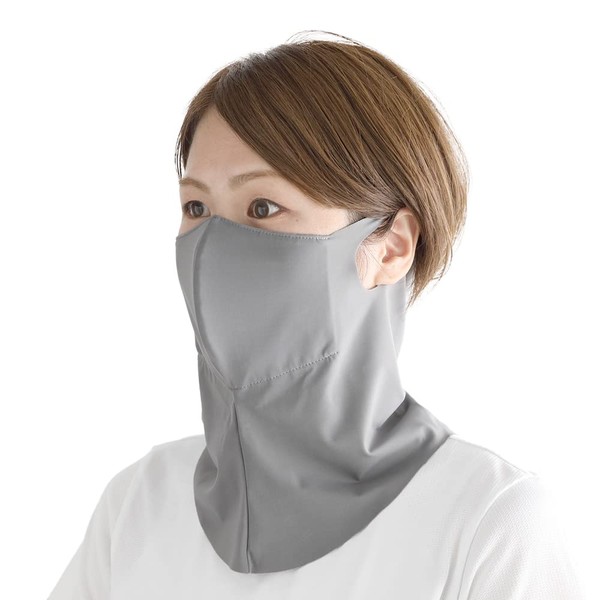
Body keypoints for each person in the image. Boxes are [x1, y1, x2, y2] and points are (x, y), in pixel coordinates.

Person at [47, 31, 585, 599]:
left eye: (263, 207)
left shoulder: (489, 524)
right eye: (196, 207)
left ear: (391, 247)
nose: (212, 247)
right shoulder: (138, 507)